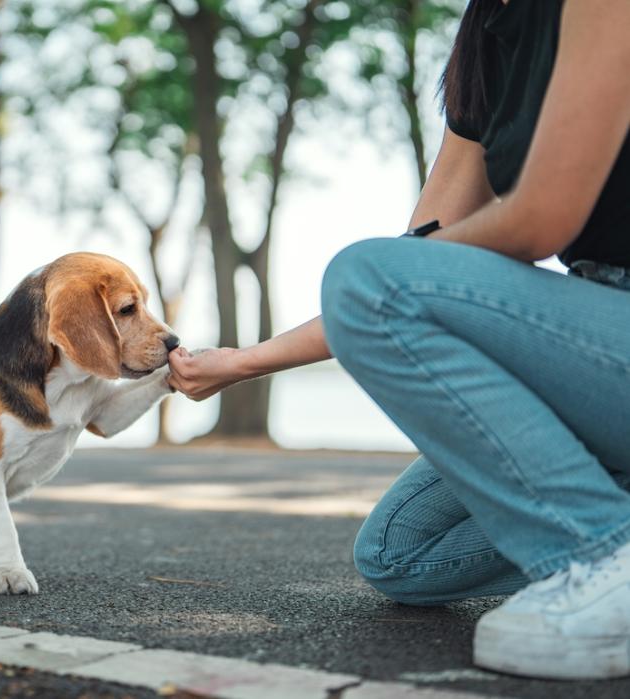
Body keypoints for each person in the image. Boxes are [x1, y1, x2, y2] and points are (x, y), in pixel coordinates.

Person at [167, 0, 630, 682]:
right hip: (592, 329)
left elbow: (536, 224)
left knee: (367, 274)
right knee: (399, 553)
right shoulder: (488, 34)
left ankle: (599, 553)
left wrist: (408, 263)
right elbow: (408, 276)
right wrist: (241, 362)